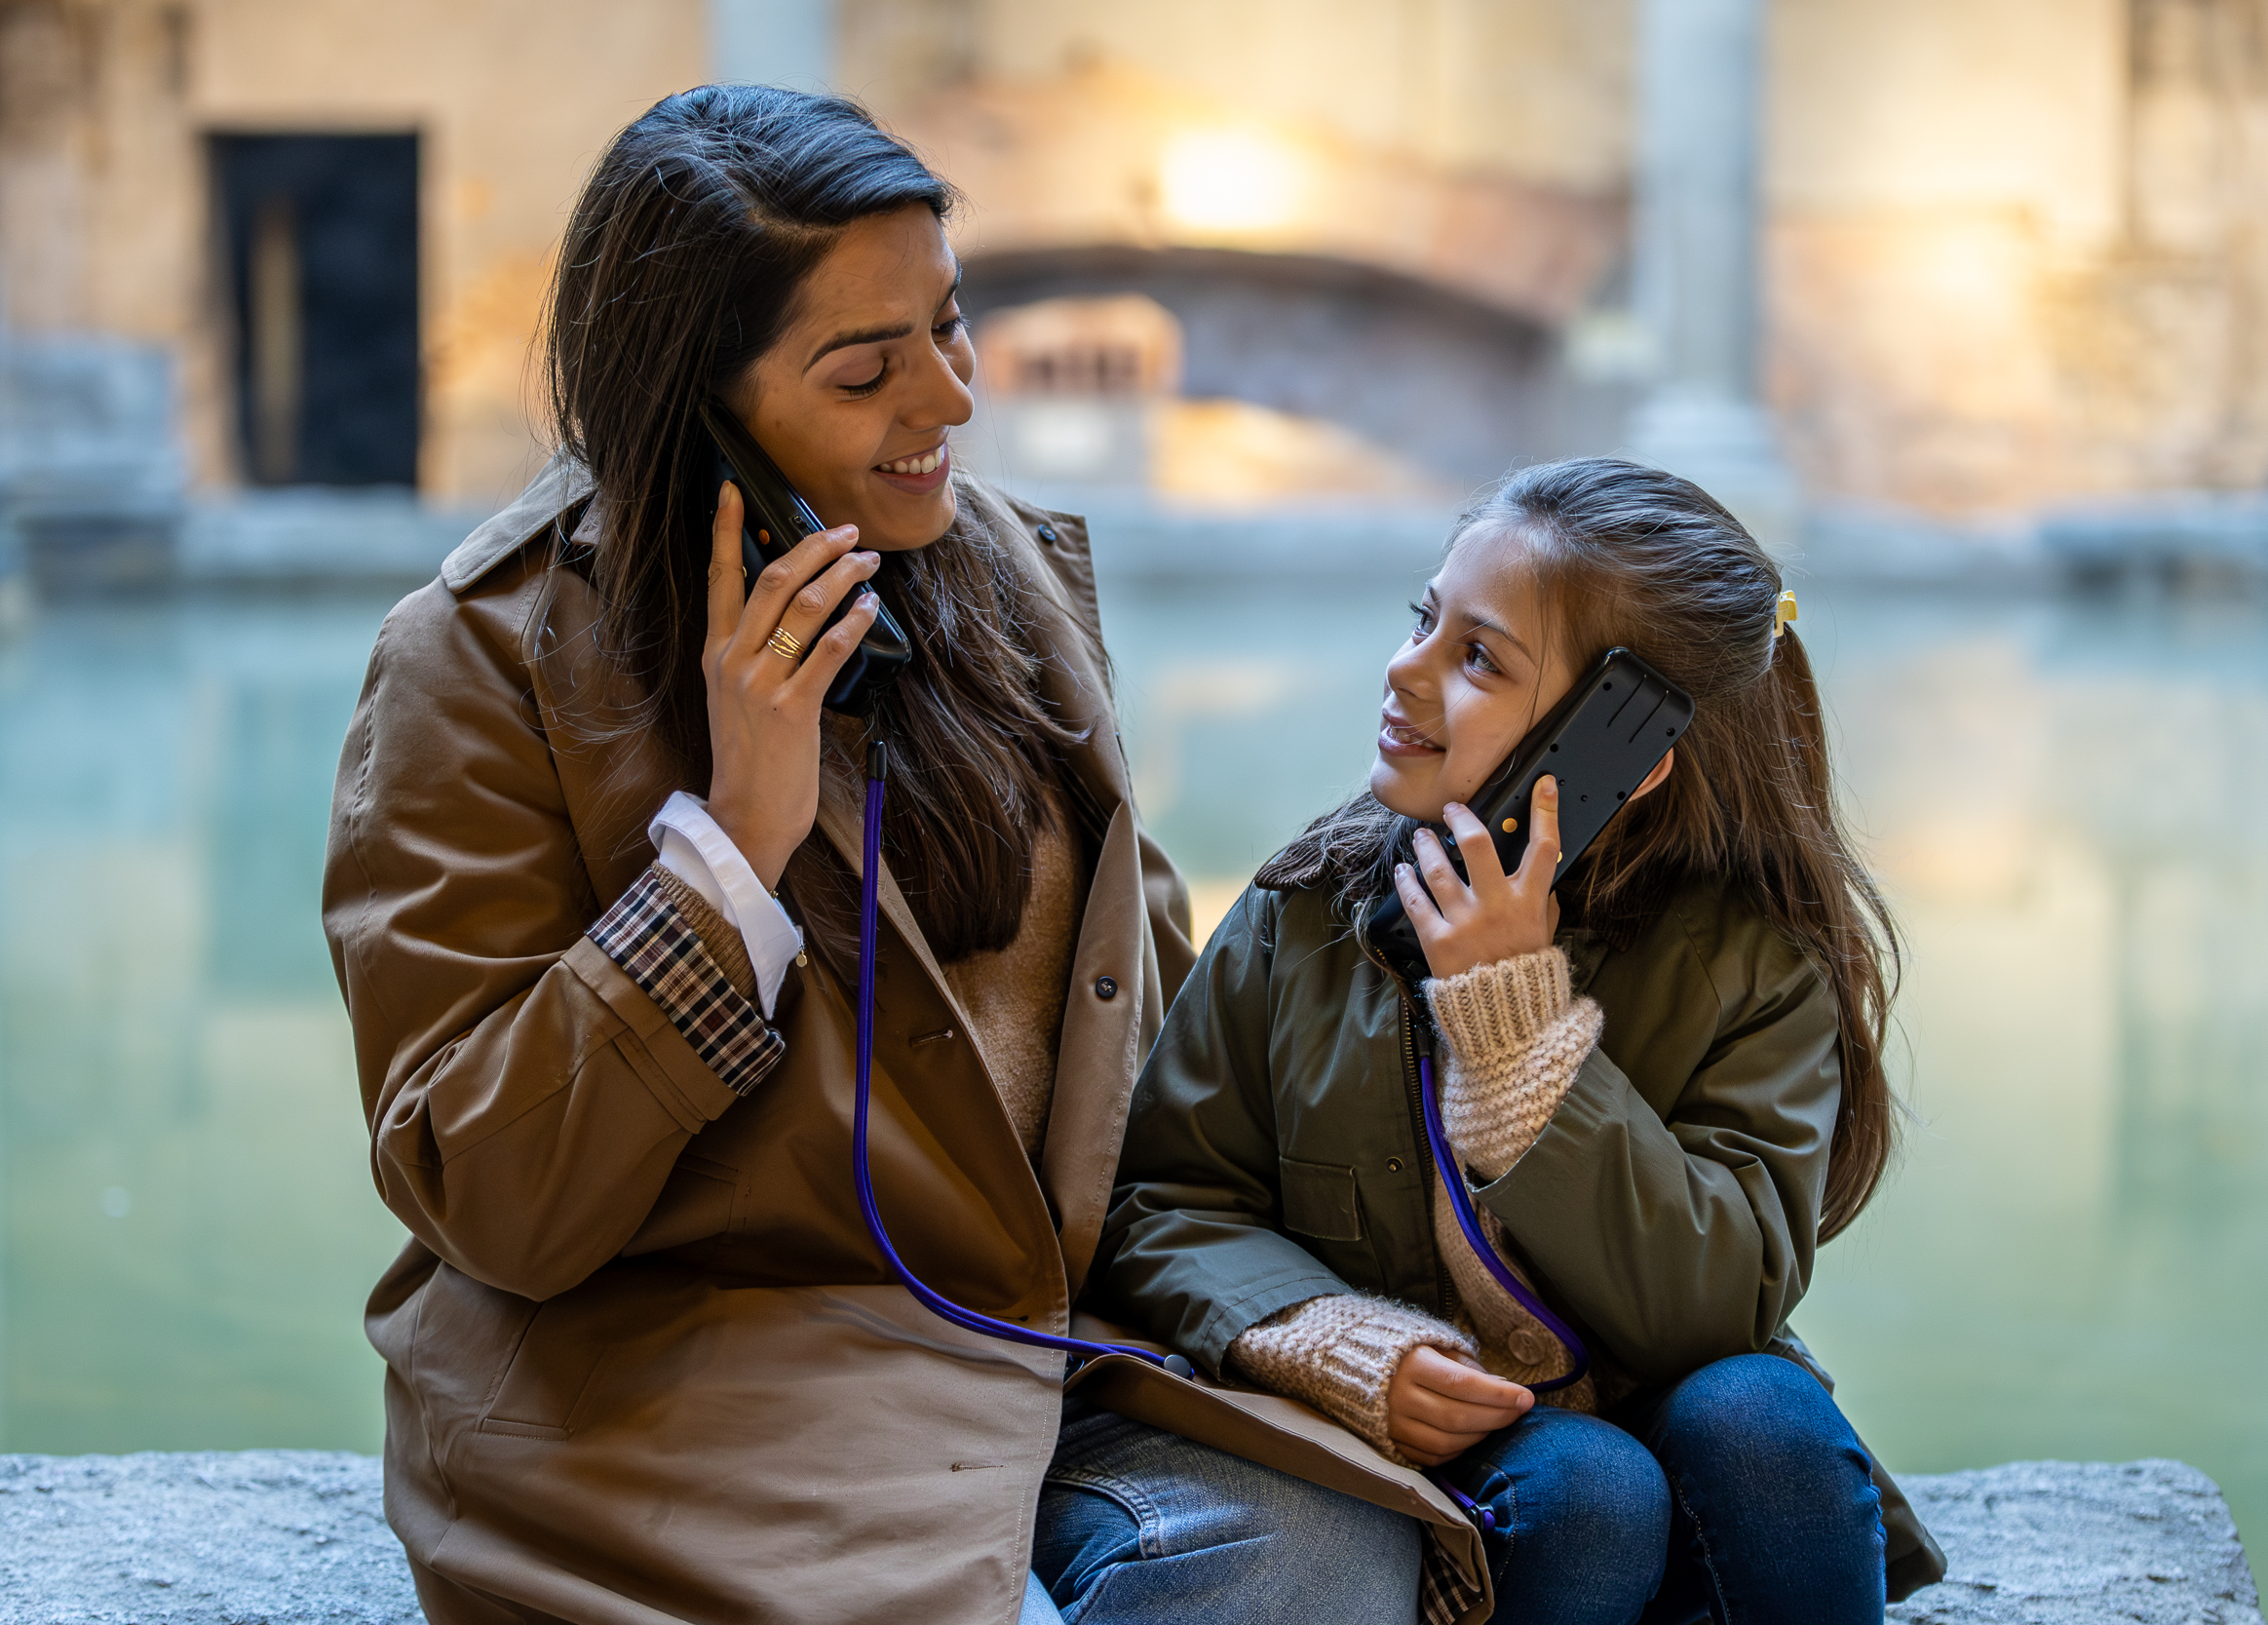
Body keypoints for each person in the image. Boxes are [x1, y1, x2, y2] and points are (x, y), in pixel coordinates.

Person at [323, 86, 1419, 1625]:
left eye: (951, 326)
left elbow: (1140, 1039)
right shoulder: (479, 663)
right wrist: (729, 853)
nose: (954, 400)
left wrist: (1300, 1289)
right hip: (698, 1382)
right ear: (695, 403)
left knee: (1343, 1556)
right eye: (867, 369)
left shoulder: (1005, 571)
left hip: (1058, 1340)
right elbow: (485, 1190)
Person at [1086, 458, 1949, 1624]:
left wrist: (1520, 1033)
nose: (1405, 669)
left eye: (1477, 657)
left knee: (1763, 1417)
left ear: (1621, 753)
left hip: (1678, 1449)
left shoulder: (1752, 961)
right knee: (1589, 1483)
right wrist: (1320, 1337)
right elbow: (1162, 1200)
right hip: (1494, 1487)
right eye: (1423, 620)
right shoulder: (1307, 909)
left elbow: (1718, 1300)